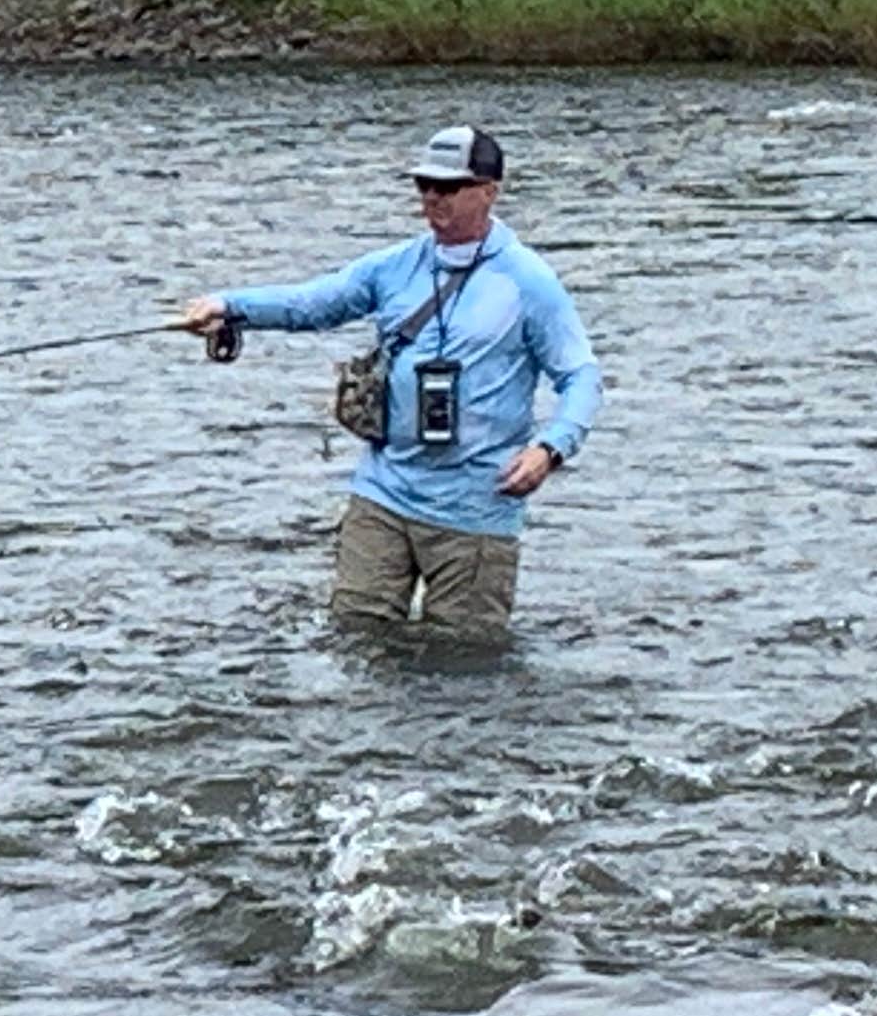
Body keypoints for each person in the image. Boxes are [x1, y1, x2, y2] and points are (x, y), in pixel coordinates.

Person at [173, 126, 603, 647]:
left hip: (476, 508)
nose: (432, 198)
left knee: (463, 661)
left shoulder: (529, 281)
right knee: (356, 644)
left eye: (448, 187)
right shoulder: (395, 266)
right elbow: (314, 303)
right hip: (383, 495)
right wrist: (231, 306)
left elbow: (580, 376)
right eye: (425, 185)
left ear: (489, 191)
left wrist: (549, 450)